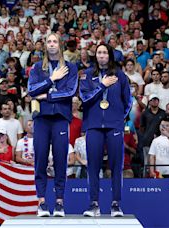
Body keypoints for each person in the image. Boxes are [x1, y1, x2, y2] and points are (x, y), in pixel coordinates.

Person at [28, 33, 78, 217]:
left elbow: (69, 92)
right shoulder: (36, 67)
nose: (51, 44)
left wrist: (46, 96)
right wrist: (51, 79)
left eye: (54, 41)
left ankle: (59, 202)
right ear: (45, 46)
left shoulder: (71, 67)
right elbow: (31, 90)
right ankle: (41, 202)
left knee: (60, 160)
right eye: (48, 41)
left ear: (60, 45)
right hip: (41, 118)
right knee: (40, 159)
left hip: (60, 118)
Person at [79, 43, 131, 217]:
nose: (102, 55)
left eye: (105, 53)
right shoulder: (86, 75)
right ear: (96, 56)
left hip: (114, 126)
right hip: (93, 125)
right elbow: (84, 98)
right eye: (99, 53)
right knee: (93, 167)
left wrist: (117, 118)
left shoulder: (121, 76)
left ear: (110, 55)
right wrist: (102, 85)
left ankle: (116, 204)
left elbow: (128, 102)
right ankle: (93, 204)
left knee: (116, 166)